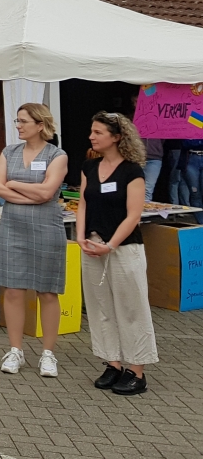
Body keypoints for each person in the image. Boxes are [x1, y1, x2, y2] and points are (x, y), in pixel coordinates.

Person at [78, 112, 157, 395]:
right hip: (92, 246)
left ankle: (137, 371)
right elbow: (83, 205)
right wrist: (80, 238)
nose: (92, 136)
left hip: (124, 249)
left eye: (98, 132)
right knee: (101, 308)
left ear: (116, 137)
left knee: (131, 309)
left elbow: (134, 215)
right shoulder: (89, 167)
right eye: (92, 131)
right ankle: (112, 363)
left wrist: (110, 245)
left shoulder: (132, 171)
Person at [0, 103, 69, 376]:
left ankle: (48, 354)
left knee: (47, 291)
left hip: (47, 227)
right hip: (13, 226)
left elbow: (48, 193)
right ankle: (15, 351)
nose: (18, 125)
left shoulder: (57, 155)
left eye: (23, 121)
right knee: (13, 289)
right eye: (17, 120)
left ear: (40, 124)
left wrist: (14, 185)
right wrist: (31, 193)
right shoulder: (8, 152)